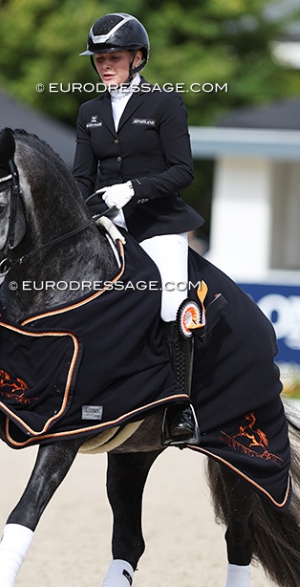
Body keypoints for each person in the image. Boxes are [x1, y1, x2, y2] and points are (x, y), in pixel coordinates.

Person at [73, 12, 204, 445]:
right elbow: (81, 177)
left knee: (170, 294)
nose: (104, 65)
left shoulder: (165, 104)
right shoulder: (89, 111)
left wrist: (134, 189)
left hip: (157, 223)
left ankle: (178, 403)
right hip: (108, 224)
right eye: (98, 59)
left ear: (138, 58)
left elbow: (182, 170)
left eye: (113, 57)